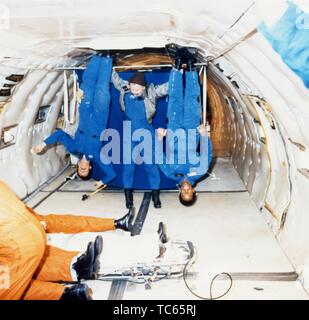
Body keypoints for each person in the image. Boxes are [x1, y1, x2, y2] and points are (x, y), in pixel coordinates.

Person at [0, 180, 135, 300]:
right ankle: (75, 270)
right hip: (23, 228)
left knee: (11, 279)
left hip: (18, 239)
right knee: (19, 271)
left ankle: (69, 285)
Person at [33, 55, 116, 185]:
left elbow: (60, 134)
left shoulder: (74, 149)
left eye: (79, 171)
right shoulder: (98, 157)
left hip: (84, 111)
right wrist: (102, 182)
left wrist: (44, 144)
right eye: (85, 172)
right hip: (100, 116)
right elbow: (111, 174)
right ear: (89, 168)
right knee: (102, 88)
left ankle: (97, 57)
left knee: (87, 84)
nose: (82, 170)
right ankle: (106, 57)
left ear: (77, 167)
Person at [157, 47, 213, 206]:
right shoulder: (200, 171)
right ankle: (190, 66)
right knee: (191, 99)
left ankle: (177, 65)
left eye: (184, 193)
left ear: (180, 192)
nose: (187, 190)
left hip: (173, 129)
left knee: (175, 97)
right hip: (191, 129)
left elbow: (159, 157)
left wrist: (160, 138)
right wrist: (204, 136)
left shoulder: (171, 174)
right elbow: (206, 154)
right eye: (189, 193)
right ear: (194, 191)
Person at [111, 68, 169, 209]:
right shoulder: (125, 88)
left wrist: (178, 72)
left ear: (144, 87)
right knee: (128, 166)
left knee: (150, 164)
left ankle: (155, 194)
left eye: (139, 88)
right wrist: (108, 62)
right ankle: (128, 195)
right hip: (129, 132)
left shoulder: (151, 92)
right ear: (129, 85)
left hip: (146, 132)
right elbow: (115, 79)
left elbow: (166, 88)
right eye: (133, 87)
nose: (135, 90)